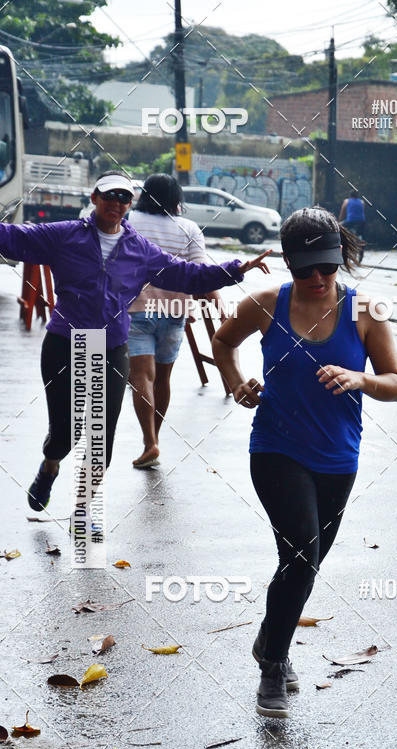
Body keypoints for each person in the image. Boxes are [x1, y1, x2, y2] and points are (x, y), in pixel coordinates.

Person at [212, 206, 397, 719]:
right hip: (276, 449)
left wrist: (362, 379)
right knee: (301, 555)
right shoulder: (263, 303)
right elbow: (223, 342)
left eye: (328, 267)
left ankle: (270, 636)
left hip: (339, 457)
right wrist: (237, 382)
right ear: (289, 265)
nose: (318, 279)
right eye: (305, 270)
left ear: (341, 258)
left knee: (303, 564)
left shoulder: (365, 313)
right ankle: (272, 668)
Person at [0, 169, 270, 528]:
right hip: (64, 343)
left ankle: (84, 508)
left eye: (123, 197)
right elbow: (14, 239)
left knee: (100, 435)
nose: (116, 203)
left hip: (110, 347)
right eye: (109, 196)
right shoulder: (65, 235)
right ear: (94, 197)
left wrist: (236, 268)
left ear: (131, 204)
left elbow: (187, 275)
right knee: (65, 433)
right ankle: (50, 466)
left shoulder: (138, 249)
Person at [127, 173, 223, 468]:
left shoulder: (129, 221)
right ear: (176, 200)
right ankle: (155, 435)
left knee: (142, 376)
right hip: (174, 311)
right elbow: (202, 276)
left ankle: (149, 443)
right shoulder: (189, 228)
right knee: (163, 379)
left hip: (136, 309)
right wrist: (219, 307)